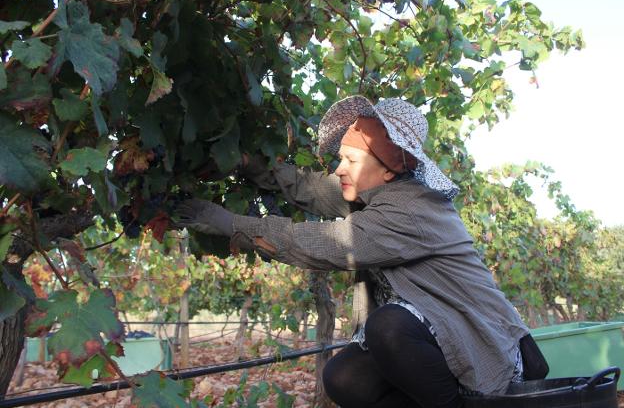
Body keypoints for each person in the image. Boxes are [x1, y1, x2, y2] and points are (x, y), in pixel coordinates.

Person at [175, 96, 547, 408]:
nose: (339, 169)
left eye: (350, 161)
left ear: (387, 170)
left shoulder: (413, 210)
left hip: (486, 348)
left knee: (386, 326)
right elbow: (310, 189)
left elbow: (324, 243)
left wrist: (231, 224)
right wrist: (247, 165)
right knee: (344, 377)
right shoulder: (375, 192)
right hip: (436, 347)